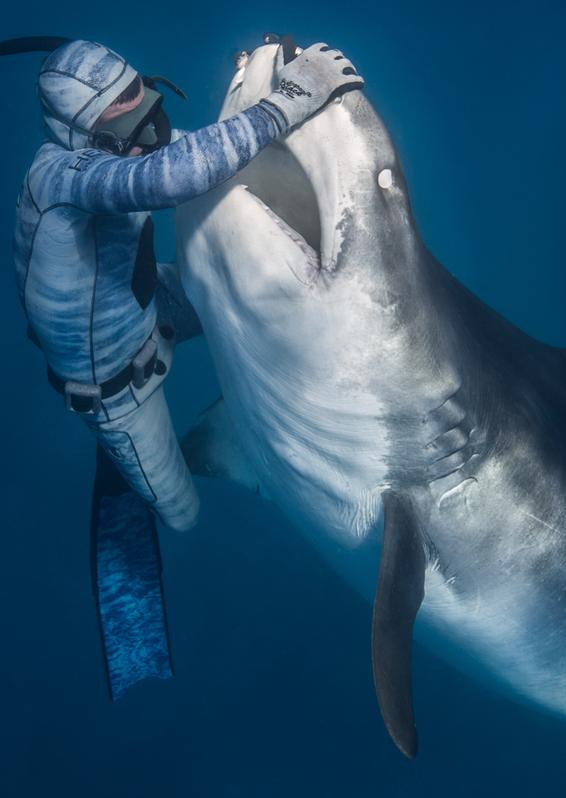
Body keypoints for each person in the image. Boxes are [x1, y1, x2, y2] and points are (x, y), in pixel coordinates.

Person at [6, 36, 364, 533]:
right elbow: (170, 176)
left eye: (148, 102)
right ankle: (119, 471)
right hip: (114, 383)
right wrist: (289, 101)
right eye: (127, 124)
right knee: (184, 516)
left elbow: (200, 153)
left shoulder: (121, 145)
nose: (151, 131)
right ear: (83, 137)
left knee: (263, 293)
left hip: (151, 300)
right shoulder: (63, 176)